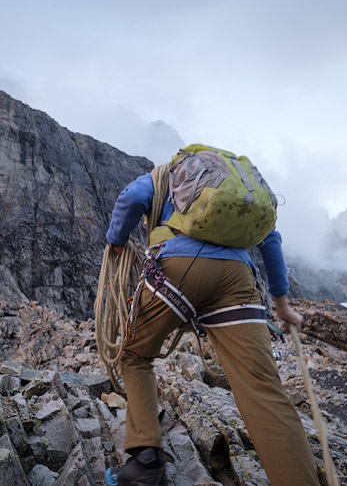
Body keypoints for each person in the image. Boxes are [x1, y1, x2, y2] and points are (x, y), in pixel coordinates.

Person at [104, 169, 320, 486]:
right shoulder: (238, 192)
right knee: (263, 389)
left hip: (176, 268)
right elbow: (270, 237)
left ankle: (145, 465)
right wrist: (282, 304)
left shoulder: (168, 173)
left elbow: (132, 198)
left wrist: (117, 241)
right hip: (237, 278)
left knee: (135, 356)